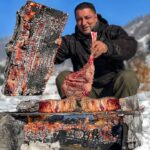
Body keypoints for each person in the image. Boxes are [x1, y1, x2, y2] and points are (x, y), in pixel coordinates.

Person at [54, 2, 139, 99]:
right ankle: (77, 112)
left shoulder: (112, 31)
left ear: (95, 16)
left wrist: (107, 47)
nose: (83, 23)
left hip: (114, 89)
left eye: (87, 18)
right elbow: (54, 58)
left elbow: (130, 46)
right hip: (85, 92)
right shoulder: (71, 41)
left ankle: (125, 112)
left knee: (128, 77)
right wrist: (52, 46)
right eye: (79, 19)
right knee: (63, 77)